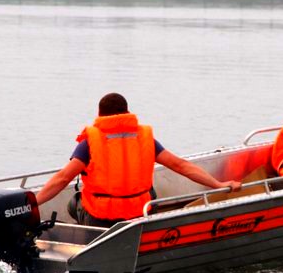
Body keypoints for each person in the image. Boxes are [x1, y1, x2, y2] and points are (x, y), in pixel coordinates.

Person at [29, 93, 242, 227]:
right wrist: (219, 184)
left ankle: (88, 234)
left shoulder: (90, 143)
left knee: (75, 201)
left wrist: (34, 204)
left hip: (101, 216)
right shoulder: (145, 139)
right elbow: (181, 166)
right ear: (127, 112)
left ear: (100, 115)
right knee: (152, 190)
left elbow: (62, 178)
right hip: (138, 212)